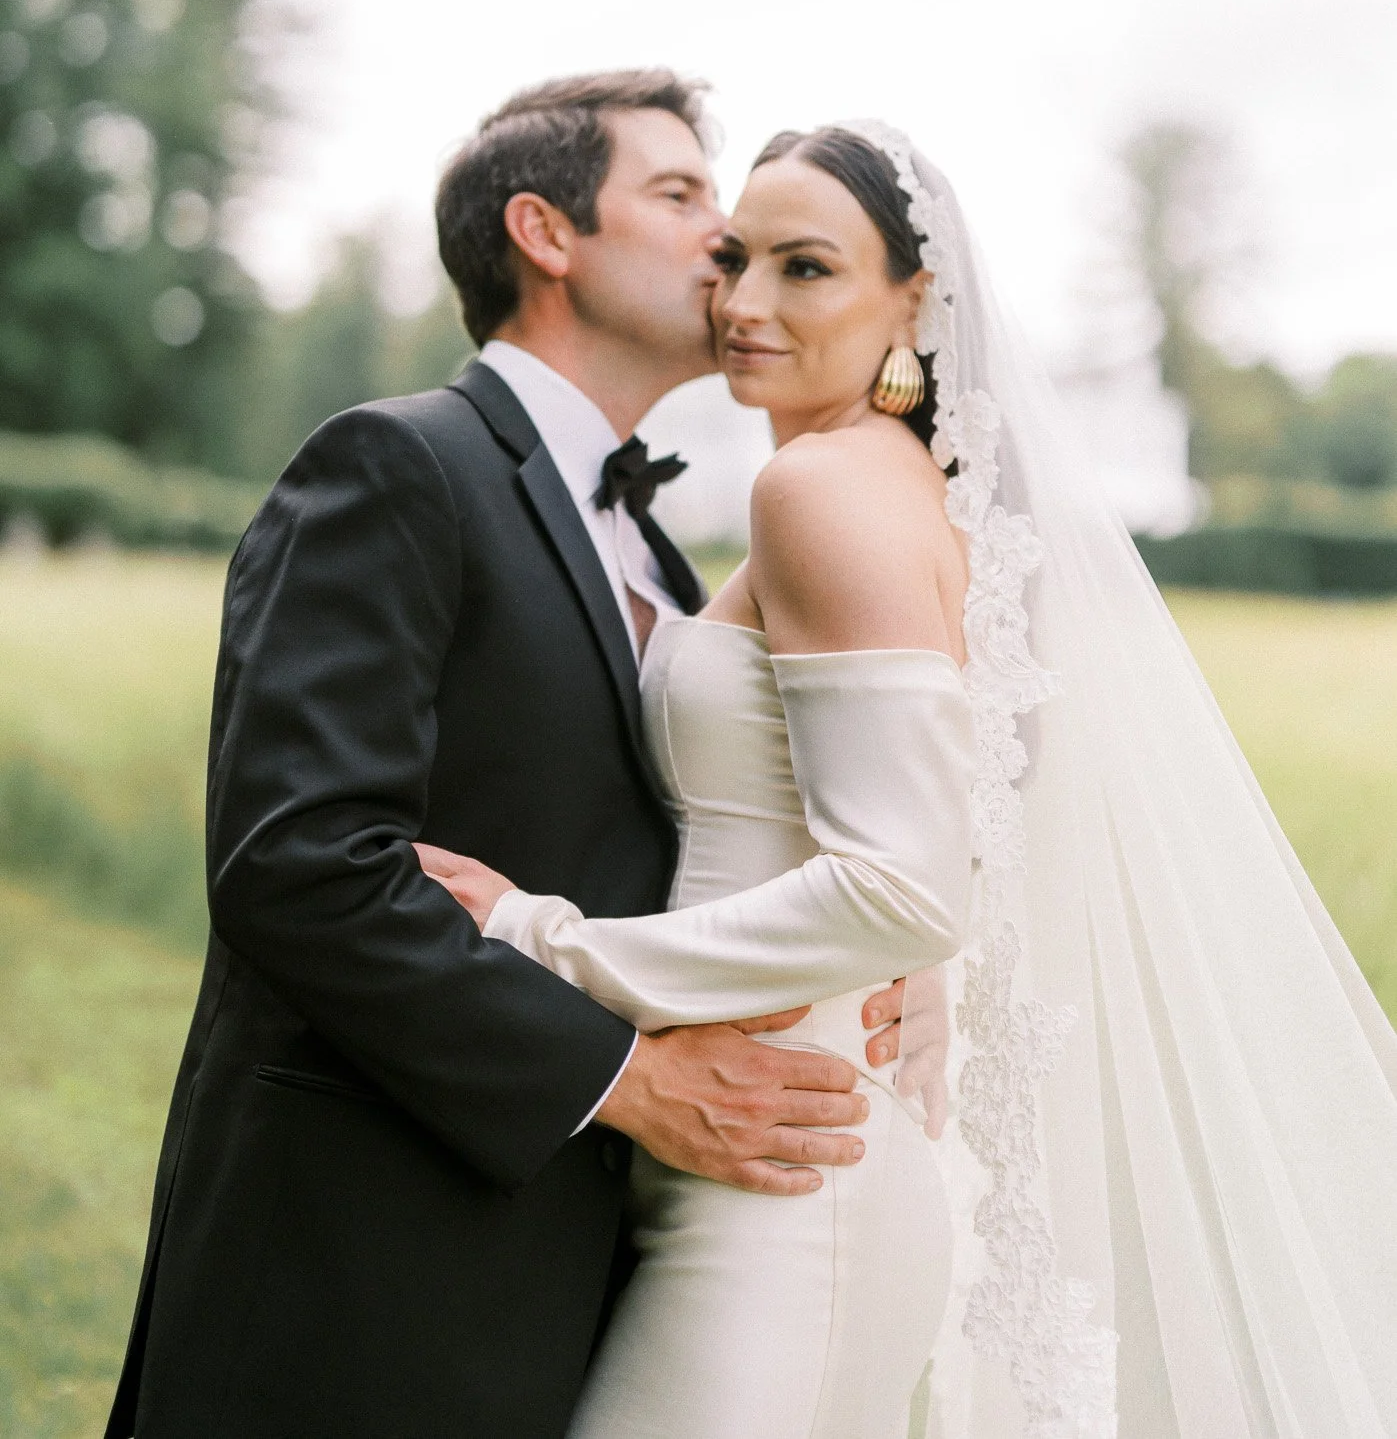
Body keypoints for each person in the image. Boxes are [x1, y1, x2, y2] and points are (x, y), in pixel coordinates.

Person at [424, 121, 1397, 1439]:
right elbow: (933, 814)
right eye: (736, 258)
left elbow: (897, 886)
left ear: (917, 304)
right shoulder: (887, 489)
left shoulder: (823, 492)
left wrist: (547, 948)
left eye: (806, 268)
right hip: (775, 1159)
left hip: (784, 1201)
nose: (747, 304)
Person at [105, 73, 908, 1439]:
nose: (726, 237)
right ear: (545, 232)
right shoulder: (392, 467)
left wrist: (896, 968)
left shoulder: (660, 548)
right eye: (680, 193)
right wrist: (635, 1082)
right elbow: (298, 867)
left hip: (572, 1270)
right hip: (358, 1275)